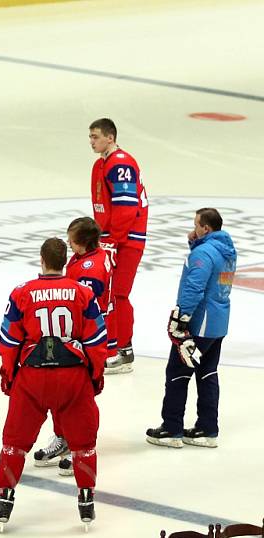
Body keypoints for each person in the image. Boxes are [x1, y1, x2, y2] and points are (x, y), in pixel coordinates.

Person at [0, 238, 107, 531]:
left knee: (15, 442)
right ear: (65, 260)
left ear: (41, 260)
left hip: (32, 377)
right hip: (73, 377)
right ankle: (86, 498)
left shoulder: (22, 293)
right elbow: (96, 340)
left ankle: (5, 497)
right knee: (83, 443)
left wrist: (8, 375)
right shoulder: (82, 292)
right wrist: (95, 376)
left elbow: (9, 341)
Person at [146, 208, 236, 449]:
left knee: (177, 372)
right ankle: (208, 428)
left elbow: (195, 286)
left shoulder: (204, 253)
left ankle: (172, 428)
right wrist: (195, 246)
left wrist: (182, 318)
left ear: (206, 228)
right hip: (217, 325)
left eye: (197, 224)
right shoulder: (225, 251)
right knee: (207, 373)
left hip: (198, 325)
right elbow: (214, 277)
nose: (193, 227)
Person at [32, 217, 115, 476]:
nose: (68, 242)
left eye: (71, 239)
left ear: (82, 243)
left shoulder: (91, 268)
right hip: (75, 339)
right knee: (61, 391)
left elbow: (84, 307)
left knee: (79, 399)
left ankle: (79, 449)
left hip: (85, 340)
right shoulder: (85, 259)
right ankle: (64, 438)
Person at [89, 117, 148, 373]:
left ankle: (122, 350)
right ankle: (118, 348)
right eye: (90, 136)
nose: (91, 141)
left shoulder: (120, 164)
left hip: (126, 241)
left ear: (110, 137)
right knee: (111, 294)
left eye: (95, 136)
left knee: (118, 294)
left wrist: (113, 239)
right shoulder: (102, 164)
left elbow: (126, 207)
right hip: (113, 239)